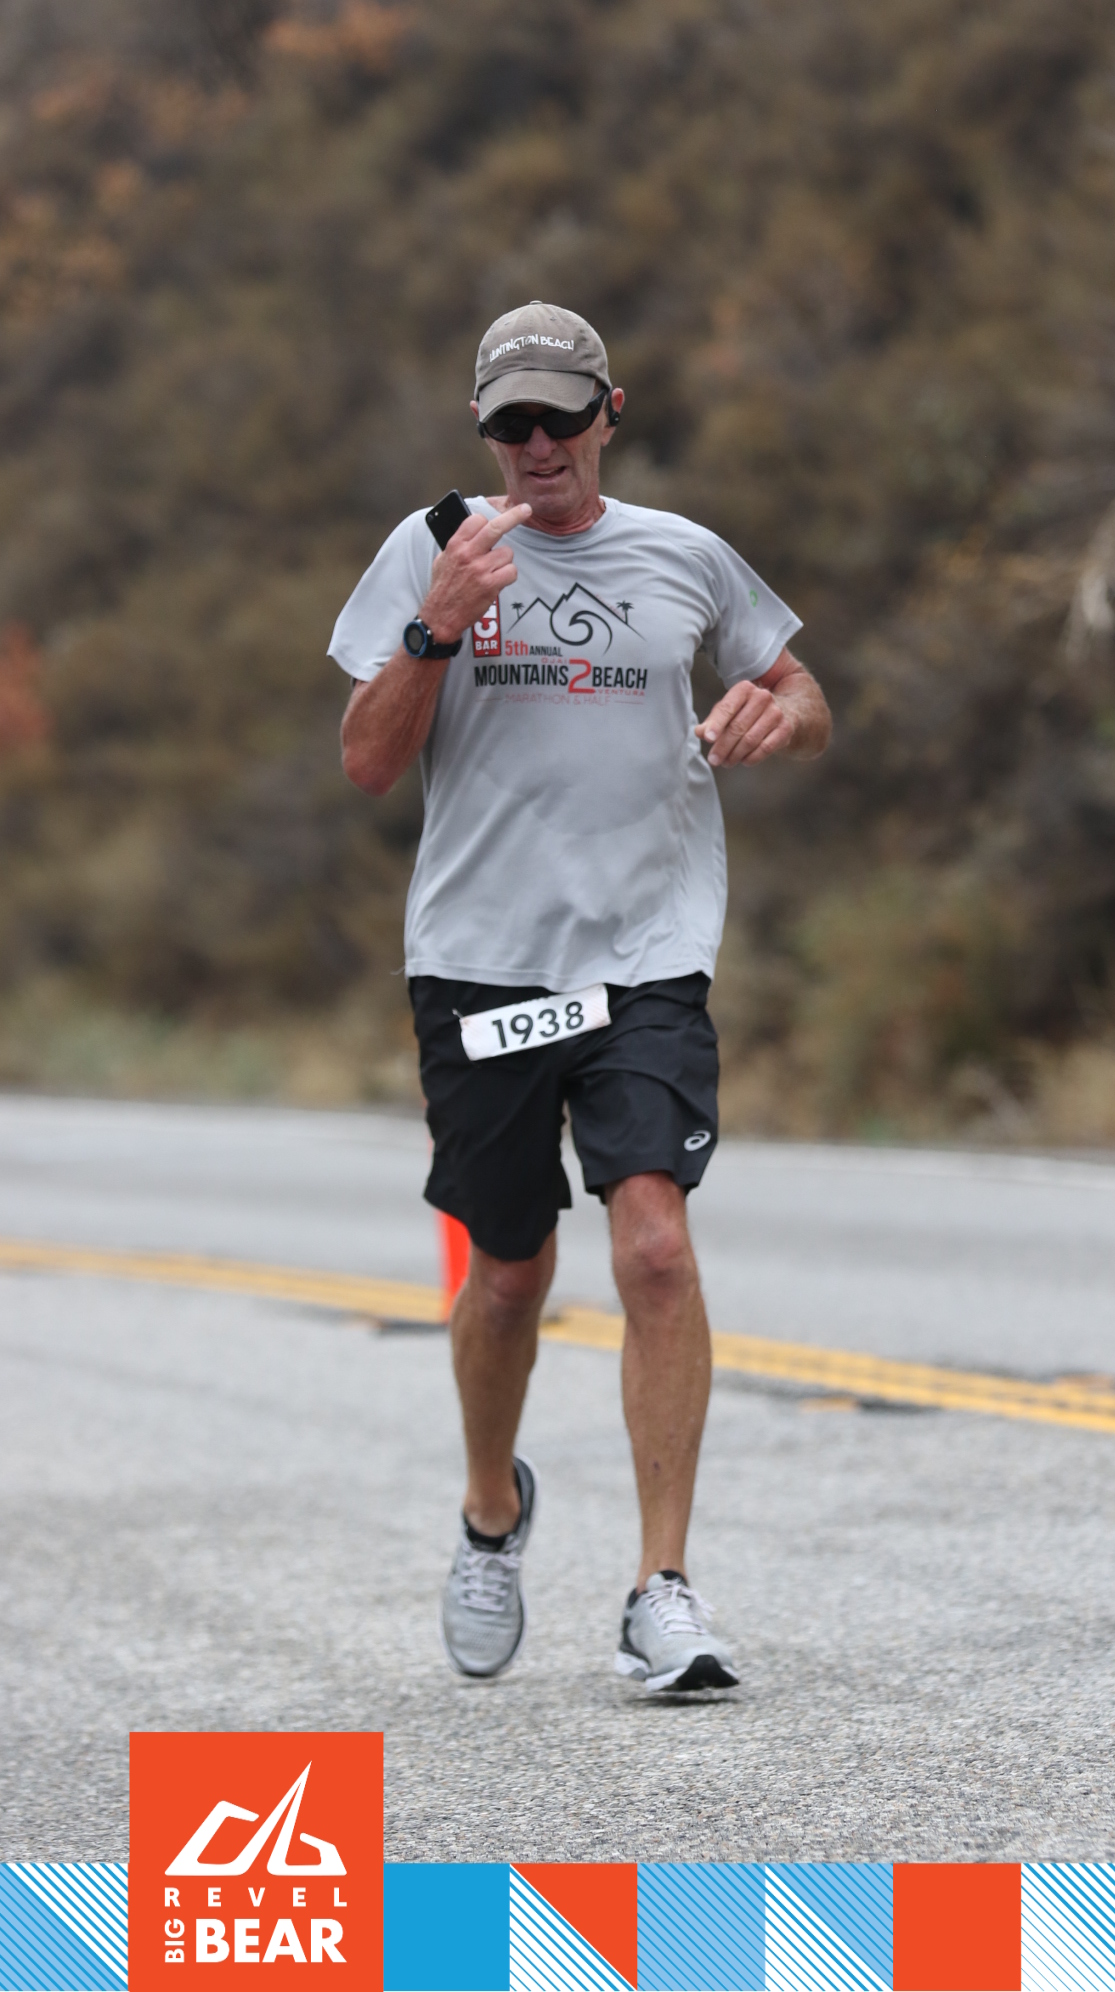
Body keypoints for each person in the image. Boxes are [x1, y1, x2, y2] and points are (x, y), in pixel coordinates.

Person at [332, 301, 830, 1693]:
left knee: (655, 1246)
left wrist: (779, 714)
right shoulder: (434, 550)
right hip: (481, 962)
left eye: (561, 415)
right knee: (509, 1273)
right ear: (483, 430)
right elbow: (367, 762)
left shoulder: (687, 555)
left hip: (645, 955)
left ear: (611, 411)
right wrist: (436, 628)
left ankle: (661, 1589)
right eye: (512, 422)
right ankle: (492, 1512)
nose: (538, 443)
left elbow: (803, 693)